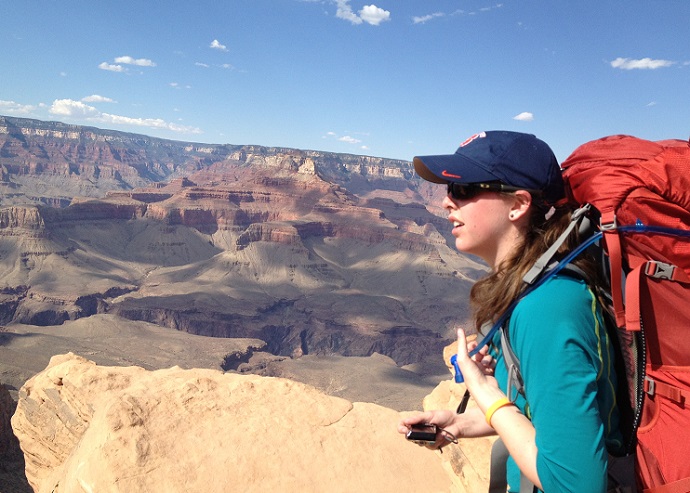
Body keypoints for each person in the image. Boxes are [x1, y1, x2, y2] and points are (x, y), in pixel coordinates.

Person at [398, 131, 624, 492]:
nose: (445, 202)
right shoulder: (529, 289)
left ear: (518, 205)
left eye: (463, 189)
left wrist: (484, 391)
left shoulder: (547, 307)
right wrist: (460, 424)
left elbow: (576, 484)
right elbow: (536, 413)